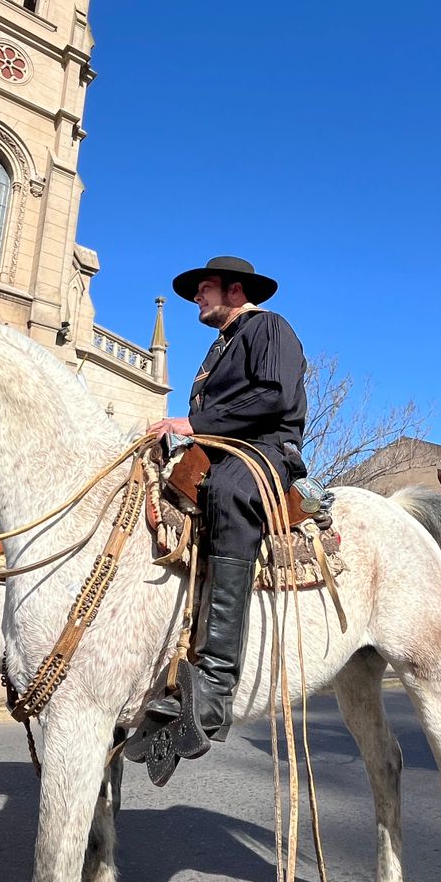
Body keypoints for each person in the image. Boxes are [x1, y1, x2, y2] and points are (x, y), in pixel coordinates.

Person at [125, 255, 307, 778]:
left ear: (232, 290)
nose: (197, 300)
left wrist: (194, 420)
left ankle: (215, 686)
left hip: (264, 450)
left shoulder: (269, 327)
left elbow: (274, 395)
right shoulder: (219, 345)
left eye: (204, 290)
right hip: (217, 446)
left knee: (227, 493)